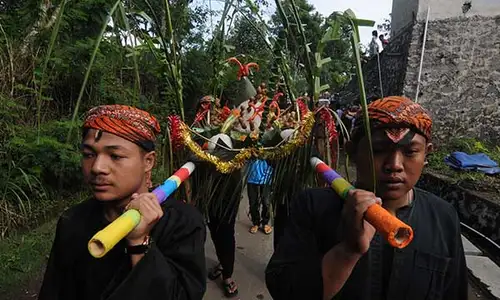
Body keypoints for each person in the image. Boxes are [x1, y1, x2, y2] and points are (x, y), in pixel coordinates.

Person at [265, 96, 468, 300]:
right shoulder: (312, 206)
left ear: (427, 155)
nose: (395, 164)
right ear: (352, 152)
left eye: (410, 152)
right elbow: (284, 289)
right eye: (378, 150)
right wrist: (348, 250)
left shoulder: (443, 218)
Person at [39, 105, 207, 300]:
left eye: (115, 156)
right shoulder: (72, 221)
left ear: (148, 162)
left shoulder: (183, 223)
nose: (97, 168)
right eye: (89, 154)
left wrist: (138, 243)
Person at [247, 159, 273, 234]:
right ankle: (256, 223)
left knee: (266, 202)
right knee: (252, 202)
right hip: (252, 177)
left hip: (266, 177)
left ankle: (265, 223)